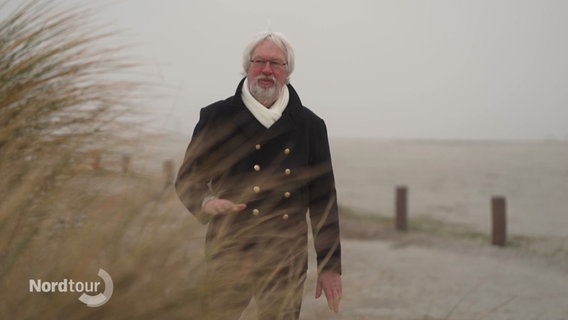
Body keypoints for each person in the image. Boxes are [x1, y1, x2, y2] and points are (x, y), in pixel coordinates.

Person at [175, 31, 342, 320]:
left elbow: (323, 200)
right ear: (247, 67)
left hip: (286, 257)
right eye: (260, 61)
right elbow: (188, 179)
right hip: (229, 249)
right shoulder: (217, 117)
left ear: (287, 72)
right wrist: (205, 202)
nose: (267, 70)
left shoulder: (310, 126)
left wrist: (329, 266)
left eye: (276, 64)